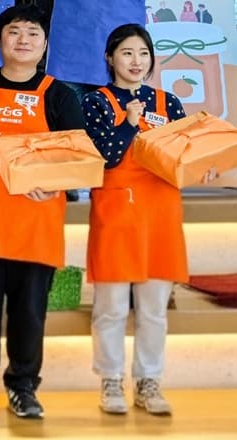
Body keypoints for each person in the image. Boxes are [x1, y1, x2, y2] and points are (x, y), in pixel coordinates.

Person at [0, 4, 86, 420]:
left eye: (32, 33)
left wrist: (57, 183)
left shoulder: (61, 96)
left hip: (35, 223)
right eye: (14, 31)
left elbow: (79, 157)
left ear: (44, 44)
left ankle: (23, 386)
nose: (22, 39)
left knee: (30, 312)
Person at [82, 24, 216, 416]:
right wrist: (127, 122)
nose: (136, 61)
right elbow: (104, 157)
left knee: (154, 308)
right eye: (127, 53)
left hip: (160, 212)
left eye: (143, 53)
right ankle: (110, 380)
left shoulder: (168, 102)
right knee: (110, 307)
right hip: (116, 211)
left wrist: (201, 167)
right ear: (110, 58)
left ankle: (149, 381)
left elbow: (180, 156)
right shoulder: (96, 102)